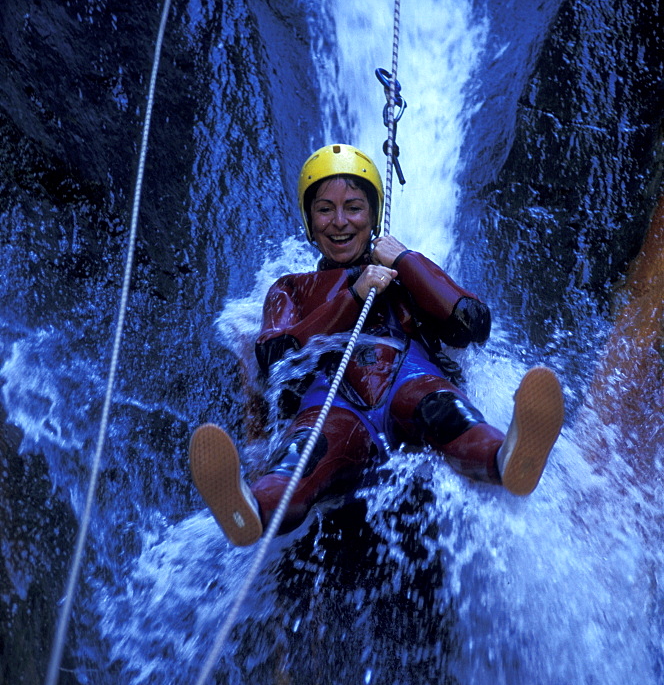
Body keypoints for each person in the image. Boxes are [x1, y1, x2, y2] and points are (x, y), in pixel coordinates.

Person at [190, 143, 564, 546]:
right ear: (309, 222)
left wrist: (405, 259)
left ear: (373, 217)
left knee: (444, 410)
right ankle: (252, 508)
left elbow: (470, 323)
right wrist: (354, 292)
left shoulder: (405, 274)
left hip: (410, 376)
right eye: (324, 209)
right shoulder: (290, 288)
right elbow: (275, 356)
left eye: (353, 207)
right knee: (306, 451)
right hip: (334, 397)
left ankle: (505, 457)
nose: (339, 221)